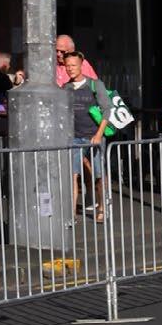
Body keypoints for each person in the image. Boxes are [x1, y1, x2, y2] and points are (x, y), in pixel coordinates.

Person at [64, 51, 108, 222]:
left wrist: (98, 134)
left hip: (93, 136)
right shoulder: (65, 88)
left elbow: (107, 110)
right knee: (72, 175)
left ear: (81, 65)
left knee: (99, 174)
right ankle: (72, 213)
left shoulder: (95, 85)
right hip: (74, 137)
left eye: (73, 65)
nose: (70, 68)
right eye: (67, 65)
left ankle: (102, 208)